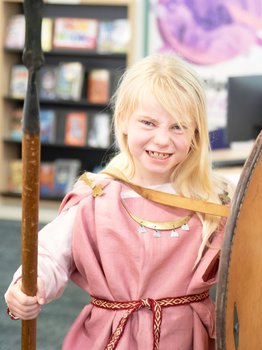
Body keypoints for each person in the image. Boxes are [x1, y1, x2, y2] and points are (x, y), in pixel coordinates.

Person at [5, 53, 234, 349]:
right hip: (111, 338)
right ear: (124, 121)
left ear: (196, 133)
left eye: (177, 126)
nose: (162, 139)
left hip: (186, 338)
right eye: (148, 123)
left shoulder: (215, 201)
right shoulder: (97, 196)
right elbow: (49, 254)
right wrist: (26, 288)